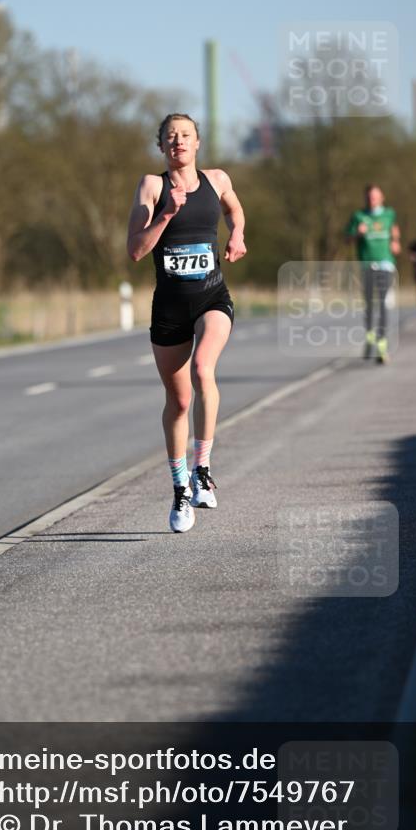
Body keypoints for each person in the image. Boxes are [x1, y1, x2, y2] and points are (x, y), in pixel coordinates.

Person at [127, 113, 246, 532]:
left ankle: (203, 468)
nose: (178, 141)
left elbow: (236, 212)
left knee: (203, 369)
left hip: (213, 297)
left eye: (185, 135)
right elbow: (135, 251)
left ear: (197, 143)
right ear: (161, 146)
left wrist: (237, 235)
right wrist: (164, 216)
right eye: (170, 136)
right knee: (178, 402)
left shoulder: (217, 179)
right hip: (169, 307)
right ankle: (180, 491)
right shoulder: (152, 186)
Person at [346, 185, 401, 364]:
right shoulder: (358, 216)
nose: (372, 199)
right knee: (370, 303)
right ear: (366, 198)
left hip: (385, 264)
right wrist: (357, 233)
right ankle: (370, 335)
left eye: (375, 196)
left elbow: (394, 230)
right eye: (369, 197)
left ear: (382, 197)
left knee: (383, 302)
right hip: (366, 264)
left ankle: (382, 343)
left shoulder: (389, 214)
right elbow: (347, 239)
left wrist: (395, 242)